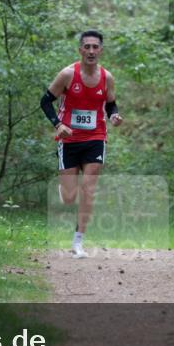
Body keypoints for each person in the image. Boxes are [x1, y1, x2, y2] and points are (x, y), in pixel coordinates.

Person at [40, 30, 123, 258]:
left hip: (95, 137)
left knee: (88, 189)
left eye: (95, 47)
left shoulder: (107, 78)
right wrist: (58, 125)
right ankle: (65, 189)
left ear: (101, 51)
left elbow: (111, 105)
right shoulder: (67, 74)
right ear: (80, 50)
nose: (91, 51)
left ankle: (78, 242)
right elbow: (45, 101)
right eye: (87, 47)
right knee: (69, 198)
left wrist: (114, 116)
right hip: (68, 139)